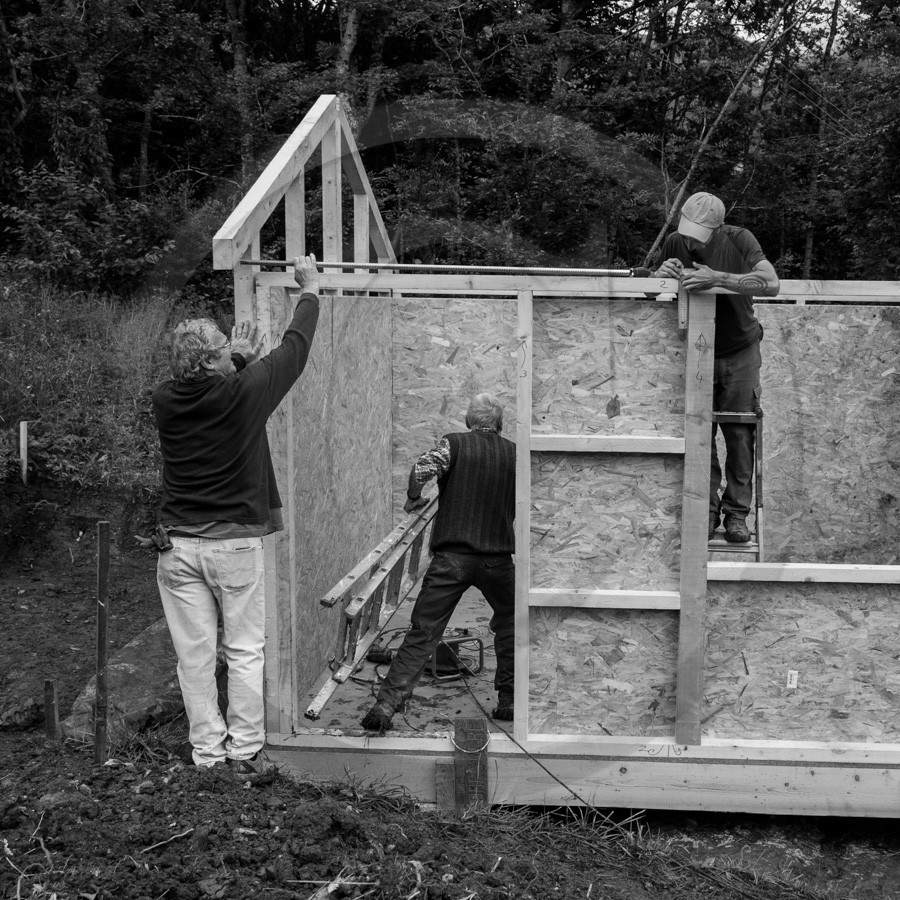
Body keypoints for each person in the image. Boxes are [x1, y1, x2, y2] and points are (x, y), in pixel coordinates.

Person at [146, 254, 320, 770]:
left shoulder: (164, 400)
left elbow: (213, 390)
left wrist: (238, 359)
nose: (233, 353)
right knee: (244, 651)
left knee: (194, 657)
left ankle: (207, 754)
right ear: (208, 363)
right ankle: (245, 752)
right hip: (233, 548)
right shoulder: (243, 394)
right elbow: (294, 351)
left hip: (177, 548)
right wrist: (310, 291)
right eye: (224, 350)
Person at [361, 392, 516, 732]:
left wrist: (413, 499)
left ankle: (386, 707)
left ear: (468, 422)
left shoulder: (455, 444)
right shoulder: (514, 453)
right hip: (498, 560)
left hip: (452, 558)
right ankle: (508, 700)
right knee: (511, 623)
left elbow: (421, 471)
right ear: (500, 425)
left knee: (424, 631)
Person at [654, 192, 780, 543]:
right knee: (699, 436)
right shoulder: (675, 242)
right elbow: (652, 294)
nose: (690, 240)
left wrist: (719, 278)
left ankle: (736, 516)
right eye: (687, 231)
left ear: (717, 227)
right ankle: (706, 512)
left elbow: (771, 283)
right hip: (698, 352)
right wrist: (659, 277)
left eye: (698, 233)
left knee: (739, 435)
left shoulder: (739, 240)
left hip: (740, 350)